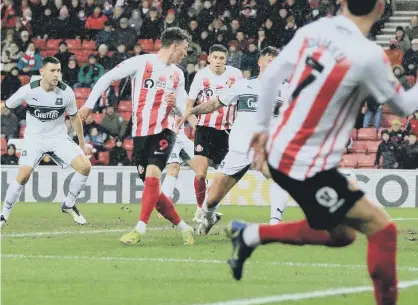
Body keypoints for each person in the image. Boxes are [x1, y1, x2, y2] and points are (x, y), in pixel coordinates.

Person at [226, 0, 418, 305]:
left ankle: (249, 235)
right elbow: (402, 106)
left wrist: (262, 130)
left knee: (342, 235)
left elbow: (273, 74)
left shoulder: (314, 30)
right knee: (383, 229)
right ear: (382, 6)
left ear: (341, 0)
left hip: (287, 150)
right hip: (303, 164)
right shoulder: (368, 55)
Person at [78, 27, 195, 246]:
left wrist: (176, 106)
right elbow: (108, 77)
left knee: (152, 176)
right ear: (175, 45)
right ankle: (184, 227)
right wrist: (88, 105)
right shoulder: (142, 62)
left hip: (165, 131)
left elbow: (183, 108)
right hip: (140, 134)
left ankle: (139, 229)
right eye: (185, 49)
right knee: (154, 192)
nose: (186, 54)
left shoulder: (178, 74)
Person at [180, 46, 291, 233]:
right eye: (269, 60)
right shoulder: (244, 85)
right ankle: (209, 217)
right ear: (260, 62)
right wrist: (192, 110)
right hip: (238, 150)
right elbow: (215, 103)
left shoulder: (286, 89)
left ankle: (274, 225)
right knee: (212, 198)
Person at [1, 57, 91, 229]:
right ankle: (3, 214)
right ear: (42, 72)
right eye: (52, 71)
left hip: (58, 138)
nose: (57, 74)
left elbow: (74, 118)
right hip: (35, 139)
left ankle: (69, 204)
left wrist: (81, 142)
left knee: (85, 167)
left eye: (58, 70)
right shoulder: (28, 91)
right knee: (24, 175)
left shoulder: (67, 93)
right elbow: (6, 106)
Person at [186, 44, 243, 225]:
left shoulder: (236, 75)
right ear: (208, 58)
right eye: (215, 57)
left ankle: (209, 211)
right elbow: (189, 105)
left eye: (222, 58)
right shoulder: (201, 76)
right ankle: (199, 209)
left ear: (226, 60)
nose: (218, 61)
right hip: (205, 130)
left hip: (228, 132)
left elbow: (242, 102)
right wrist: (196, 126)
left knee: (222, 179)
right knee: (200, 174)